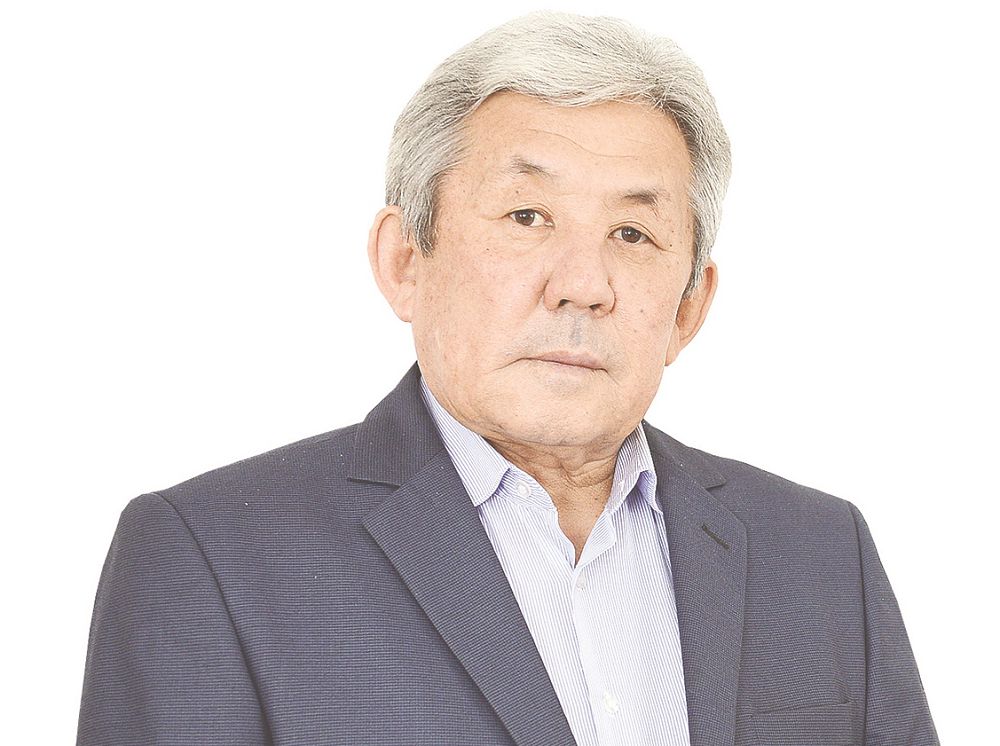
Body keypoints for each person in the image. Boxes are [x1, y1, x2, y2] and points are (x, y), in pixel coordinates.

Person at [76, 11, 938, 746]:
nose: (583, 285)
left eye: (632, 234)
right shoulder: (210, 557)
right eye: (528, 216)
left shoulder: (820, 553)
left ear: (689, 305)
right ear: (405, 261)